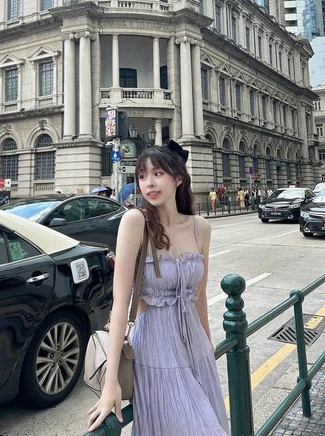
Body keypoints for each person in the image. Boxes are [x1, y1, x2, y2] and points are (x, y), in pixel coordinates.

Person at [86, 142, 229, 435]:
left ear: (178, 178)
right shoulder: (135, 221)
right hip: (155, 347)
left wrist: (208, 344)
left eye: (158, 173)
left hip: (194, 346)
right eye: (142, 176)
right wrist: (111, 382)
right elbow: (120, 301)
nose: (148, 183)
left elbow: (199, 296)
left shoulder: (200, 227)